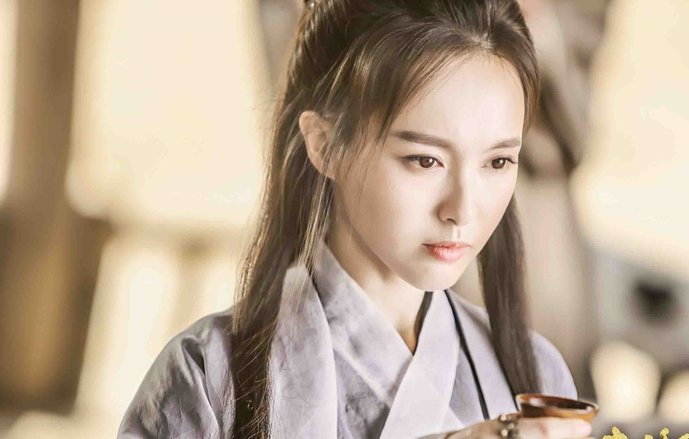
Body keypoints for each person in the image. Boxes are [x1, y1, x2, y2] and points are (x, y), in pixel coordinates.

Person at [118, 0, 594, 438]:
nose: (463, 209)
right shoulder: (207, 375)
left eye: (498, 162)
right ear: (325, 144)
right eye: (425, 160)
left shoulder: (538, 375)